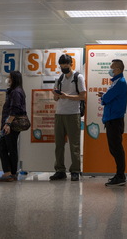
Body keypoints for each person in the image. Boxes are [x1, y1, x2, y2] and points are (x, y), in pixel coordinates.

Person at [49, 54, 85, 182]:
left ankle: (75, 170)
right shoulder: (59, 79)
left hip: (73, 114)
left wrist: (66, 96)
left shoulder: (78, 77)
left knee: (74, 144)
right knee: (59, 144)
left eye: (66, 65)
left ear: (71, 64)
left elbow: (83, 96)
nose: (64, 67)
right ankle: (60, 170)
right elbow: (55, 99)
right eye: (62, 65)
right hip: (59, 113)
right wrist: (56, 95)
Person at [98, 59, 127, 187]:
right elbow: (108, 96)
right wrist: (105, 96)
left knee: (116, 148)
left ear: (119, 70)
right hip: (112, 118)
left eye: (112, 68)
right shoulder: (116, 82)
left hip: (115, 119)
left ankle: (120, 176)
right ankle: (119, 174)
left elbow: (107, 98)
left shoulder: (120, 82)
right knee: (114, 148)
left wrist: (104, 97)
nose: (110, 70)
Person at [0, 70, 27, 182]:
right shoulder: (15, 91)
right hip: (9, 124)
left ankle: (11, 173)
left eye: (9, 77)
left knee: (7, 148)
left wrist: (7, 124)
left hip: (11, 125)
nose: (8, 79)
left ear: (13, 79)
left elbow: (14, 110)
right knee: (5, 148)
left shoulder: (16, 92)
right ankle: (10, 173)